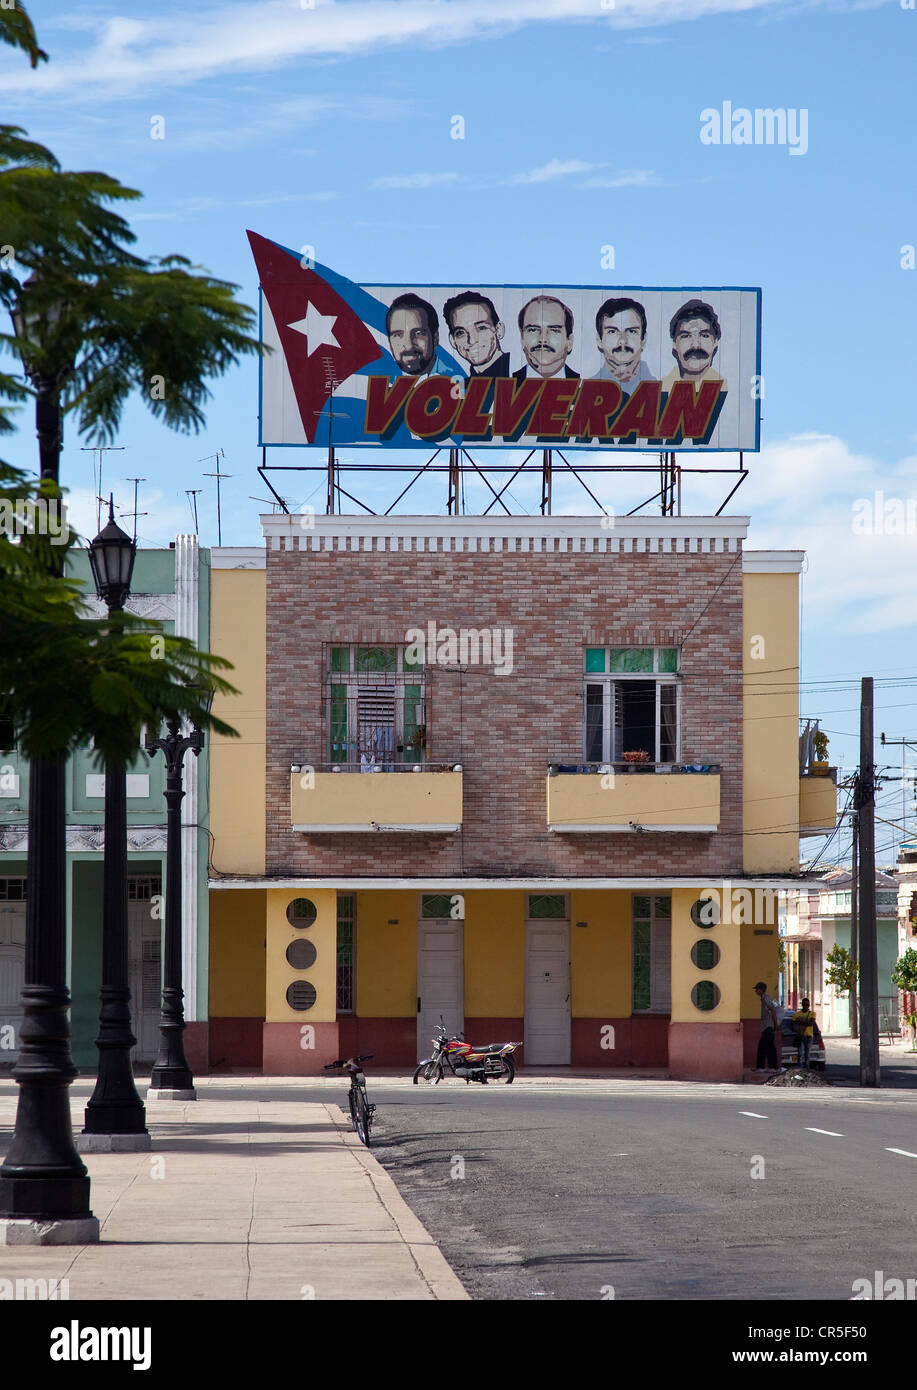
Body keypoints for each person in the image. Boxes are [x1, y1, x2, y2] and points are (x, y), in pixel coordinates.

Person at [661, 297, 727, 393]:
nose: (695, 345)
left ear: (715, 342)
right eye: (686, 336)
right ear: (674, 344)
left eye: (704, 336)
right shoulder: (661, 390)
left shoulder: (727, 390)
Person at [593, 296, 656, 395]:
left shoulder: (662, 388)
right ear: (599, 340)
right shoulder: (587, 392)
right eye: (612, 331)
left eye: (631, 331)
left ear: (643, 339)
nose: (622, 340)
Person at [442, 291, 510, 377]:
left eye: (481, 328)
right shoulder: (461, 387)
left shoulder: (521, 375)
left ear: (499, 330)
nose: (472, 340)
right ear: (453, 341)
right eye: (461, 333)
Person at [513, 295, 580, 380]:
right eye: (533, 330)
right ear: (522, 339)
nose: (542, 339)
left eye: (554, 330)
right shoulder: (507, 383)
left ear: (569, 341)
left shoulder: (583, 384)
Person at [385, 293, 439, 376]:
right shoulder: (385, 380)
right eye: (398, 335)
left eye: (418, 333)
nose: (408, 345)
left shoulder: (458, 381)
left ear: (435, 339)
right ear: (389, 340)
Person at [754, 980, 781, 1072]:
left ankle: (760, 1067)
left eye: (757, 989)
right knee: (770, 1048)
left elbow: (773, 1010)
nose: (756, 991)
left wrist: (776, 1024)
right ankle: (774, 1067)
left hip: (768, 1027)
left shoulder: (766, 999)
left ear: (762, 990)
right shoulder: (764, 998)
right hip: (768, 1027)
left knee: (762, 1048)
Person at [792, 997, 818, 1070]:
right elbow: (793, 1025)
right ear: (802, 1005)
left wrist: (799, 1021)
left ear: (809, 1005)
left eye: (807, 1004)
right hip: (801, 1035)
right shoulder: (796, 1014)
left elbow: (811, 1024)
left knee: (807, 1053)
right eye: (804, 1004)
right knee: (800, 1053)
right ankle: (800, 1067)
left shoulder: (812, 1013)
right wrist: (805, 1022)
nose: (806, 1006)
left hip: (809, 1036)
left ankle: (807, 1067)